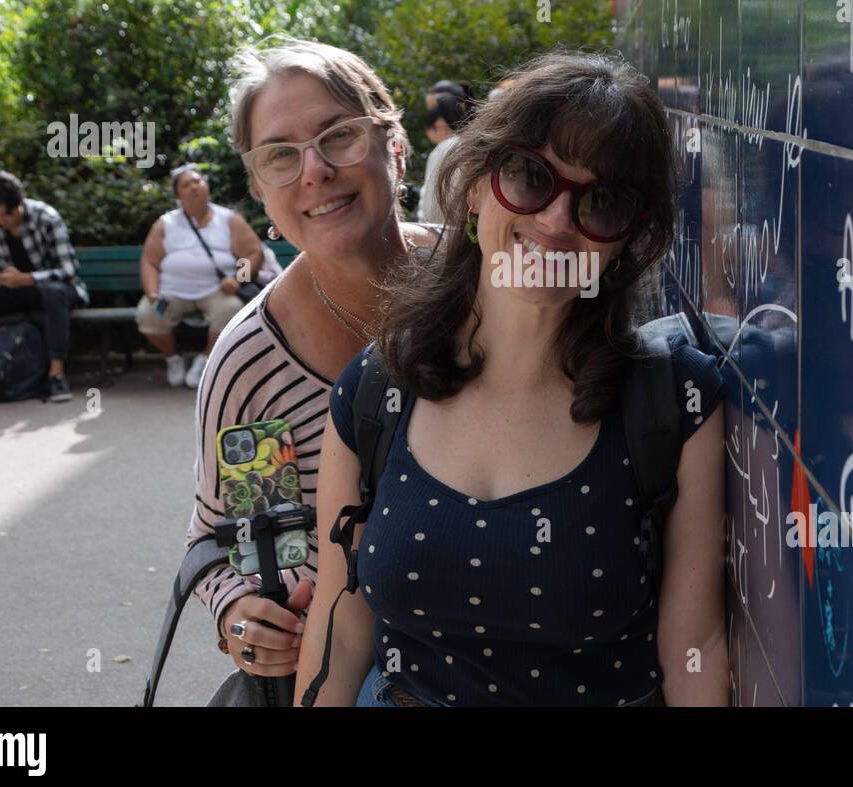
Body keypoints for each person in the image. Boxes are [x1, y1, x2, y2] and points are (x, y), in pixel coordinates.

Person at [294, 52, 728, 707]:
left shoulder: (673, 402)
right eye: (530, 176)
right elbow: (343, 626)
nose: (556, 221)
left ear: (627, 240)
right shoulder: (375, 392)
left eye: (601, 200)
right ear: (476, 187)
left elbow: (694, 650)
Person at [185, 37, 439, 684]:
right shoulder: (254, 364)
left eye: (339, 137)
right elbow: (236, 539)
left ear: (397, 149)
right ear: (260, 191)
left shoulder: (480, 290)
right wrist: (240, 616)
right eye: (280, 155)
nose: (314, 171)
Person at [0, 171, 88, 403]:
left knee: (53, 293)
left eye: (8, 215)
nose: (3, 221)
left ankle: (56, 374)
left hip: (48, 288)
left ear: (19, 203)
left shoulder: (46, 217)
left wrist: (29, 278)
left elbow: (69, 271)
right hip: (11, 288)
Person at [135, 164, 264, 388]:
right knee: (149, 314)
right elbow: (149, 261)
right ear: (178, 195)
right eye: (186, 184)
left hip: (216, 290)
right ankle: (173, 358)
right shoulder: (165, 224)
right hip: (171, 291)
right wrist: (153, 293)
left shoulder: (229, 219)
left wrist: (238, 278)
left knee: (231, 310)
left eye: (198, 181)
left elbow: (253, 253)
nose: (194, 187)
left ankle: (205, 360)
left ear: (207, 187)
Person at [416, 79, 474, 224]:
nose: (435, 119)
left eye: (437, 110)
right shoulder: (476, 142)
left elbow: (431, 212)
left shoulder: (447, 149)